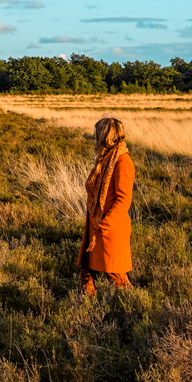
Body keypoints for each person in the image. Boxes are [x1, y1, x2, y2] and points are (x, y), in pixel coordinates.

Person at [78, 117, 135, 294]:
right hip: (96, 224)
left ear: (105, 136)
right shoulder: (106, 158)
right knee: (86, 269)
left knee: (116, 274)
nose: (95, 138)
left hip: (110, 228)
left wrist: (105, 225)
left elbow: (123, 200)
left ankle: (132, 309)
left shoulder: (123, 161)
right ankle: (85, 307)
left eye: (97, 135)